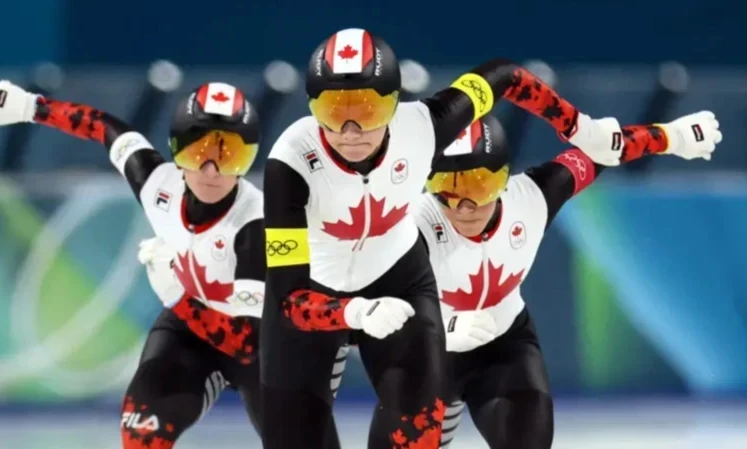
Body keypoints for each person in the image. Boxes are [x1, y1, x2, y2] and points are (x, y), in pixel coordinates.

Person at [260, 27, 631, 449]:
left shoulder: (424, 127)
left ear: (393, 103)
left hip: (398, 281)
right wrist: (357, 312)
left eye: (367, 109)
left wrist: (577, 126)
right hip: (312, 293)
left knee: (416, 435)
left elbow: (506, 76)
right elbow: (289, 301)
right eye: (332, 110)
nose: (350, 130)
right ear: (312, 108)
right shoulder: (291, 161)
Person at [0, 80, 346, 449]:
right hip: (189, 333)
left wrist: (176, 296)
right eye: (198, 152)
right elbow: (107, 129)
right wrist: (32, 107)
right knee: (142, 434)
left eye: (229, 155)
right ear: (175, 151)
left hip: (267, 345)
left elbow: (245, 342)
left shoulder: (257, 225)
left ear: (248, 161)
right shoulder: (157, 185)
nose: (212, 170)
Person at [412, 111, 722, 449]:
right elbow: (377, 309)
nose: (464, 206)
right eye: (446, 188)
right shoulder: (412, 223)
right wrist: (440, 330)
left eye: (479, 186)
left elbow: (602, 150)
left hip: (502, 350)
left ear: (504, 180)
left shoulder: (532, 198)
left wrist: (672, 136)